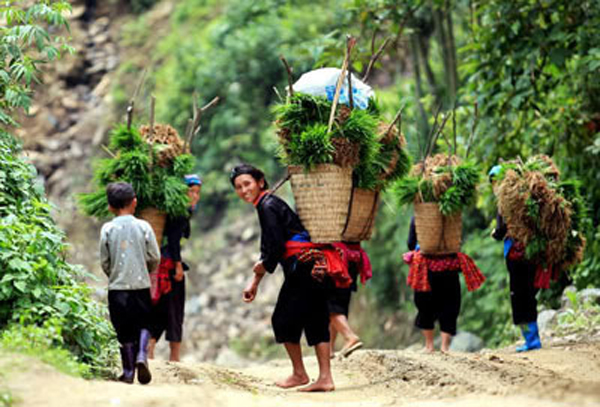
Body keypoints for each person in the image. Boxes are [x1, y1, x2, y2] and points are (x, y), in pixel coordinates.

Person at [231, 164, 334, 392]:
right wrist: (255, 282)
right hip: (312, 264)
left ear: (260, 182)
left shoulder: (267, 206)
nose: (243, 190)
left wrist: (259, 273)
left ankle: (300, 374)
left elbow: (274, 248)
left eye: (247, 183)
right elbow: (269, 247)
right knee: (316, 318)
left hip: (302, 268)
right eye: (238, 187)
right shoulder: (268, 204)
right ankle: (325, 378)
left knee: (283, 320)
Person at [100, 182, 160, 384]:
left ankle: (127, 372)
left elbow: (105, 261)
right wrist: (146, 271)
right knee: (144, 324)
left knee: (123, 330)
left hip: (117, 289)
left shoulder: (107, 229)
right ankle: (142, 356)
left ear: (110, 207)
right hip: (141, 286)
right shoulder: (144, 226)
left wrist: (115, 273)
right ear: (134, 202)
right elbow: (154, 256)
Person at [148, 174, 202, 362]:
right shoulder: (179, 213)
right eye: (191, 191)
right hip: (169, 265)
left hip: (160, 263)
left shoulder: (177, 211)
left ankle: (150, 347)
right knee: (175, 309)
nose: (195, 196)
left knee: (161, 308)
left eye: (197, 192)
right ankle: (174, 356)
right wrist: (178, 266)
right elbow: (173, 241)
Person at [489, 165, 542, 352]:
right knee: (529, 294)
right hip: (532, 252)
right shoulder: (526, 197)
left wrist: (495, 233)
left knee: (519, 296)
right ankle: (534, 338)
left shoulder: (505, 201)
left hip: (515, 255)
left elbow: (502, 230)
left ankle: (531, 340)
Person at [406, 217, 462, 353]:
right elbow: (458, 241)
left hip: (426, 267)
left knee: (425, 304)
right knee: (450, 303)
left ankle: (429, 346)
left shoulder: (418, 218)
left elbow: (410, 243)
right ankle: (445, 347)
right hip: (449, 266)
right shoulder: (452, 218)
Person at [328, 262, 363, 358]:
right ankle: (329, 349)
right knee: (339, 305)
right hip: (350, 260)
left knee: (329, 305)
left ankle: (349, 337)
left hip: (335, 262)